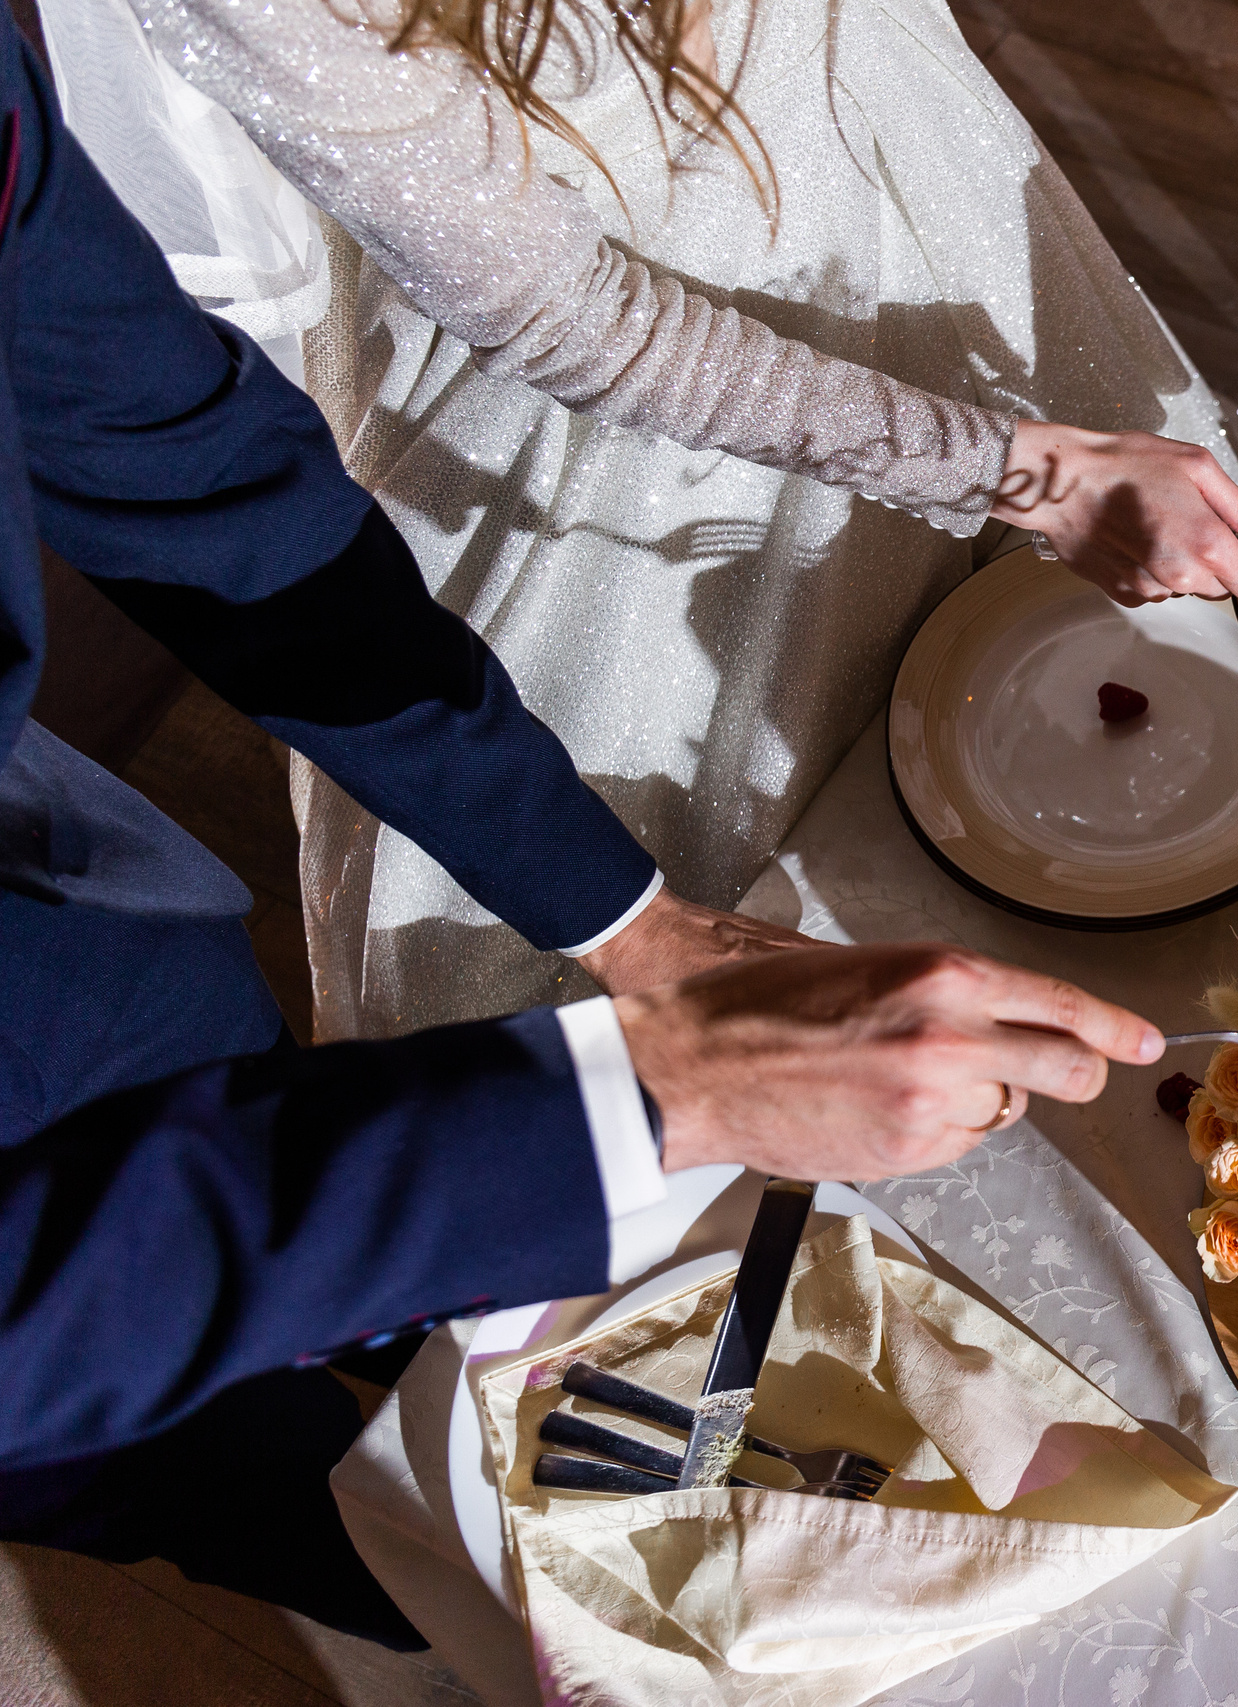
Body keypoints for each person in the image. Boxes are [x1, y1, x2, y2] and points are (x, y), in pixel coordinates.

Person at [0, 23, 1161, 1645]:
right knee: (329, 1498)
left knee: (414, 1256)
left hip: (72, 936)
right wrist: (647, 1099)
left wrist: (626, 922)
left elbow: (194, 477)